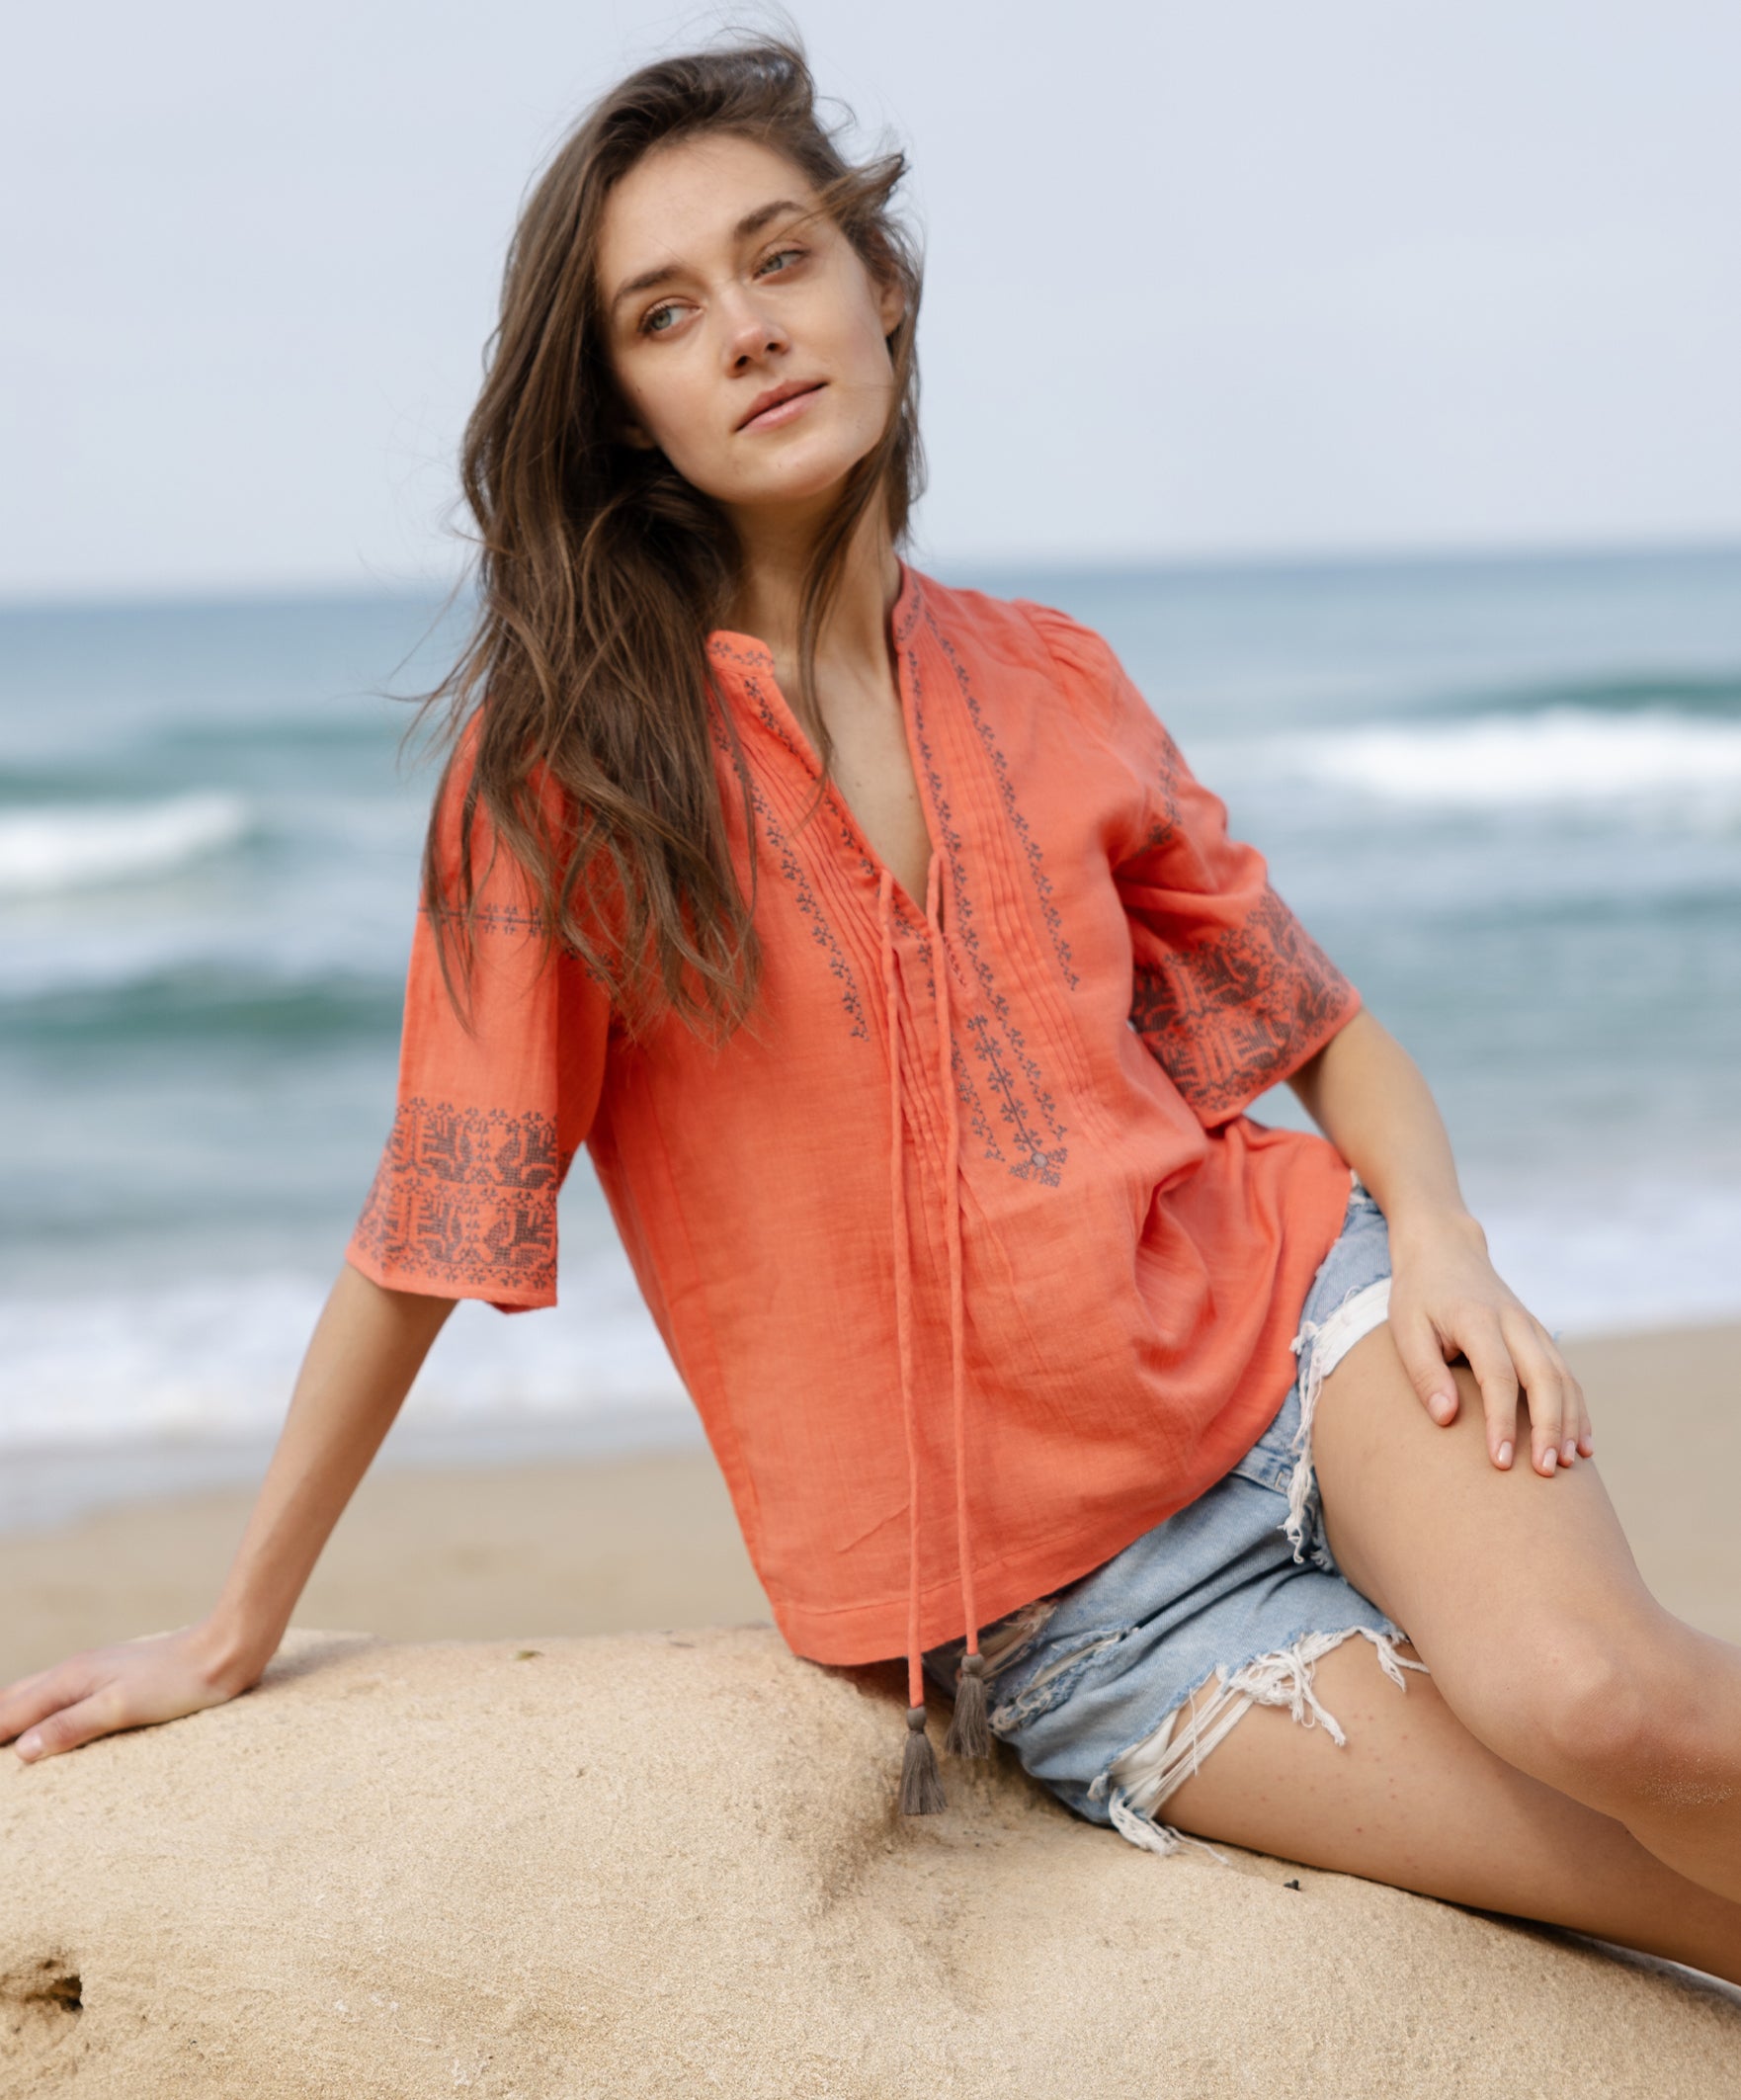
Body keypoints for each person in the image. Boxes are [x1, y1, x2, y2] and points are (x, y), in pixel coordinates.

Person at [5, 36, 1739, 1984]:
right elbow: (431, 1216)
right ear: (624, 410)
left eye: (776, 261)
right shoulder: (565, 773)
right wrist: (234, 1623)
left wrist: (1436, 1239)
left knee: (1607, 1708)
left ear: (876, 290)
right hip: (1073, 1616)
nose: (743, 332)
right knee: (1675, 1902)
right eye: (665, 314)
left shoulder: (1048, 674)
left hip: (1303, 1337)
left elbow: (1315, 1025)